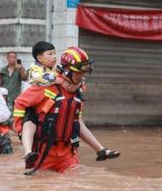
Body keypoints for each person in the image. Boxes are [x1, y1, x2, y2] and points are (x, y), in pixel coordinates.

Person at [13, 46, 121, 174]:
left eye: (83, 73)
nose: (80, 76)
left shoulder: (78, 91)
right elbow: (19, 103)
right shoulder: (46, 86)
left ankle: (101, 150)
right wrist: (20, 130)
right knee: (39, 190)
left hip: (67, 154)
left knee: (75, 184)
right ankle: (27, 153)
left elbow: (76, 122)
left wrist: (99, 149)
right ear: (65, 70)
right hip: (42, 154)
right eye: (77, 72)